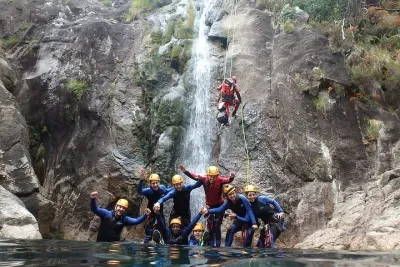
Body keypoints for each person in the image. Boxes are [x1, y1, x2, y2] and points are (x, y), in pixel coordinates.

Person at [179, 163, 235, 247]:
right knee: (210, 226)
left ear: (217, 176)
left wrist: (231, 177)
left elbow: (228, 180)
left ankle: (218, 245)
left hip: (220, 204)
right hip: (209, 205)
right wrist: (185, 171)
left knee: (217, 224)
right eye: (210, 176)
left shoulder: (220, 180)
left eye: (214, 176)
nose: (212, 178)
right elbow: (194, 176)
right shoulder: (204, 178)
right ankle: (211, 245)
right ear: (208, 175)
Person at [137, 170, 170, 243]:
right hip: (151, 211)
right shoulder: (148, 191)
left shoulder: (163, 188)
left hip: (160, 211)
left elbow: (169, 192)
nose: (155, 185)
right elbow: (139, 191)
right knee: (149, 230)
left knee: (163, 227)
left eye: (156, 183)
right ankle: (145, 243)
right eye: (153, 183)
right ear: (150, 184)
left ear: (159, 182)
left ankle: (161, 241)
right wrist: (141, 180)